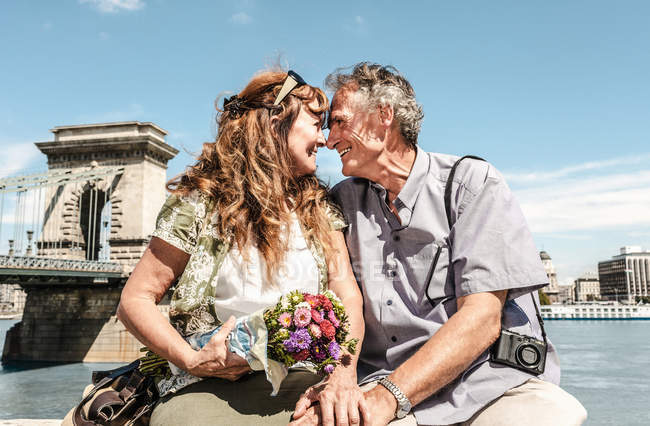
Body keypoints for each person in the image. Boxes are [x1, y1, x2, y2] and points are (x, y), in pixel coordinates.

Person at [291, 63, 587, 426]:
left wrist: (389, 400)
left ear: (384, 116)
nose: (330, 139)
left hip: (487, 388)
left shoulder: (472, 185)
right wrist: (341, 379)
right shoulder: (340, 203)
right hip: (376, 386)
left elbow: (481, 318)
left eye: (339, 122)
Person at [114, 69, 366, 425]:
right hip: (205, 385)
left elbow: (348, 297)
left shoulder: (320, 208)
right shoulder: (198, 201)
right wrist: (190, 360)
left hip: (304, 383)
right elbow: (135, 301)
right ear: (276, 121)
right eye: (315, 123)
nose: (324, 140)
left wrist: (342, 375)